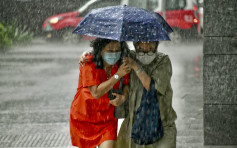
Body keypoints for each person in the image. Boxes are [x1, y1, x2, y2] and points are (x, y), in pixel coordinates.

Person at [79, 41, 177, 148]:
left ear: (156, 45)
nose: (145, 50)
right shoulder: (129, 57)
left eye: (150, 48)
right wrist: (89, 54)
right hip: (135, 126)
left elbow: (153, 87)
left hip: (161, 125)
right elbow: (108, 52)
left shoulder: (163, 61)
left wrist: (136, 67)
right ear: (136, 45)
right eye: (141, 48)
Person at [70, 38, 130, 148]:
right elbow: (96, 92)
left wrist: (124, 97)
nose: (114, 54)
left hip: (107, 118)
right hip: (85, 117)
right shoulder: (89, 62)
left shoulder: (121, 64)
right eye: (110, 50)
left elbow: (126, 84)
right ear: (100, 49)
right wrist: (117, 75)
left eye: (118, 50)